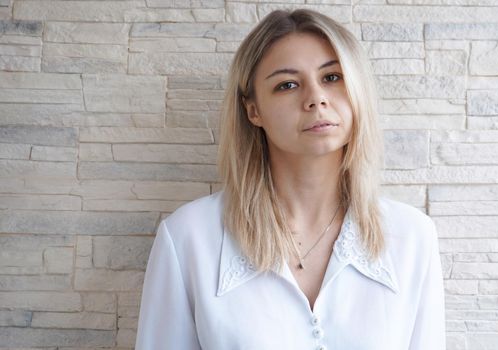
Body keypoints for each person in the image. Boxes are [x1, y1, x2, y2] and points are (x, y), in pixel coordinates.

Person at [135, 8, 446, 350]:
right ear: (253, 110)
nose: (316, 99)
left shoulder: (413, 237)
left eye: (332, 77)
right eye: (287, 85)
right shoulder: (188, 239)